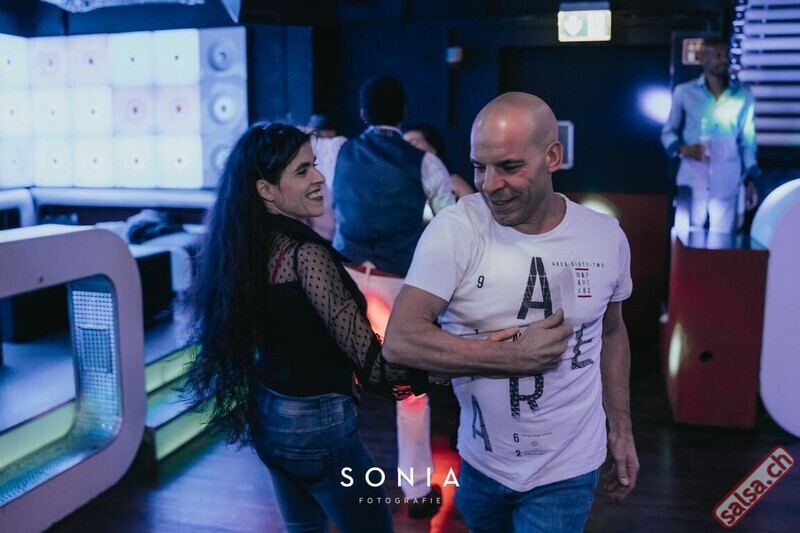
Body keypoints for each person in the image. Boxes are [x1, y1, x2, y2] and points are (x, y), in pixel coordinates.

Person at [384, 92, 640, 532]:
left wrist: (621, 428)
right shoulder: (457, 229)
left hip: (566, 470)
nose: (488, 184)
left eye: (508, 167)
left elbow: (612, 333)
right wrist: (510, 357)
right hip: (479, 462)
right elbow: (400, 340)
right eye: (479, 166)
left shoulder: (605, 236)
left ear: (552, 157)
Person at [183, 122, 431, 533]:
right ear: (266, 190)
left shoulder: (242, 245)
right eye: (302, 171)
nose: (318, 177)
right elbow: (373, 369)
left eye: (314, 165)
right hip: (319, 431)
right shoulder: (305, 256)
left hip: (270, 416)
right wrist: (446, 368)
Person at [332, 75, 455, 518]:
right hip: (395, 285)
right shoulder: (425, 163)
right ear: (403, 113)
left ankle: (337, 485)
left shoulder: (337, 152)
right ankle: (417, 491)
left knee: (339, 388)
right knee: (410, 393)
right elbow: (449, 224)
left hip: (342, 283)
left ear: (362, 112)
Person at [661, 36, 759, 234]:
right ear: (703, 59)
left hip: (727, 178)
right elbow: (668, 132)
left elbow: (747, 140)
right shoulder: (684, 92)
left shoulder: (743, 94)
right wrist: (682, 149)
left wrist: (751, 177)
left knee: (722, 240)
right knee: (686, 236)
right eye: (717, 55)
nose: (723, 60)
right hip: (692, 176)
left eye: (726, 55)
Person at [403, 123, 476, 200]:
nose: (407, 151)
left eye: (413, 144)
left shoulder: (453, 181)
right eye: (404, 147)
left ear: (433, 148)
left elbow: (474, 206)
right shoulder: (406, 187)